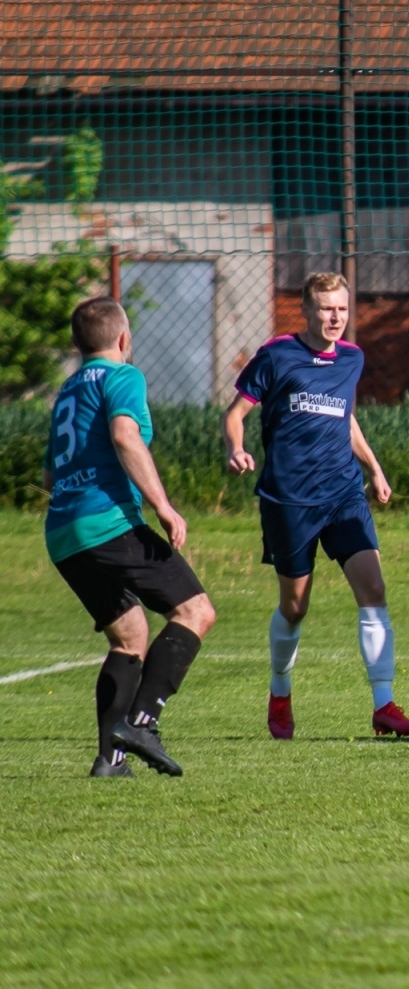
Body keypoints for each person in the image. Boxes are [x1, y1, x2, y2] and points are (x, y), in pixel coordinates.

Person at [222, 271, 409, 739]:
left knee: (373, 588)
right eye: (327, 308)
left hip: (343, 494)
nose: (336, 317)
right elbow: (235, 413)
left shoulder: (352, 359)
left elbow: (345, 416)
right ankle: (280, 692)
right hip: (289, 499)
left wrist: (373, 468)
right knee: (295, 607)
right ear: (307, 311)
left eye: (343, 309)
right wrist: (235, 448)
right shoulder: (276, 355)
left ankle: (383, 704)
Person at [45, 297, 217, 777]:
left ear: (78, 346)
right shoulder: (124, 376)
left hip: (62, 532)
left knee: (129, 637)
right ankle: (142, 722)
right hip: (108, 524)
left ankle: (110, 759)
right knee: (196, 611)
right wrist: (162, 505)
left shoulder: (67, 391)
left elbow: (48, 472)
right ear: (124, 339)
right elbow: (125, 435)